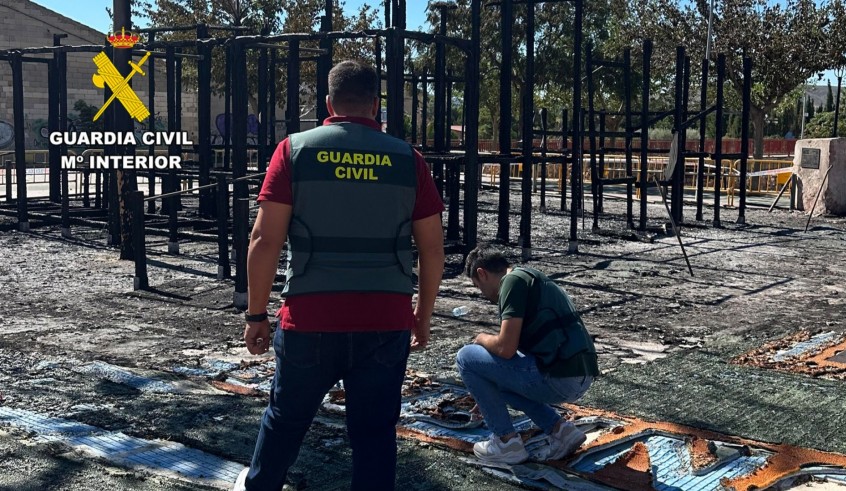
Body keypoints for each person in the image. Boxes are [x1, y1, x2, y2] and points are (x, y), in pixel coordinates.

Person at [235, 60, 445, 491]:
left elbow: (264, 240)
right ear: (376, 104)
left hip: (309, 321)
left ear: (328, 103)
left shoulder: (293, 151)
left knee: (285, 421)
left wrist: (256, 315)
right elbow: (432, 248)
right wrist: (421, 316)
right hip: (385, 323)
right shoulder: (409, 160)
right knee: (373, 435)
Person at [456, 247, 599, 464]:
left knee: (466, 357)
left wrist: (481, 337)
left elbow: (506, 348)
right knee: (498, 378)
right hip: (580, 373)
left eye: (478, 286)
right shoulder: (530, 276)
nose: (483, 294)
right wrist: (486, 396)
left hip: (559, 376)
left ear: (482, 273)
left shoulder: (511, 283)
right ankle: (561, 431)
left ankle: (506, 443)